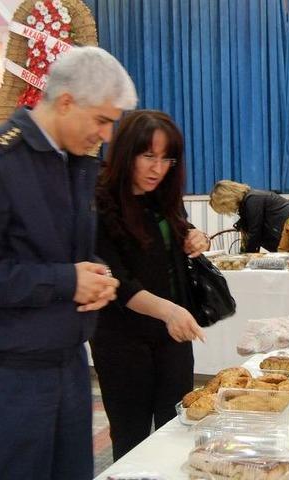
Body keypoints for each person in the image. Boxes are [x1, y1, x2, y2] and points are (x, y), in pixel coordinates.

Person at [0, 46, 136, 479]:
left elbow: (60, 251)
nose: (107, 135)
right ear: (65, 102)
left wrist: (96, 273)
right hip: (9, 377)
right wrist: (67, 282)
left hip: (67, 364)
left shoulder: (73, 163)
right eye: (101, 120)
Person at [92, 110, 208, 460]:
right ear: (127, 152)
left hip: (171, 335)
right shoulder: (99, 200)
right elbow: (115, 280)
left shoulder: (163, 194)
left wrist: (194, 236)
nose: (158, 169)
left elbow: (177, 232)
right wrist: (168, 311)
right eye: (148, 156)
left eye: (167, 159)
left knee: (178, 427)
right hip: (121, 337)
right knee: (131, 437)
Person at [208, 180, 289, 252]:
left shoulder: (252, 200)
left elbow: (255, 233)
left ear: (226, 200)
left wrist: (244, 258)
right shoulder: (250, 199)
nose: (227, 212)